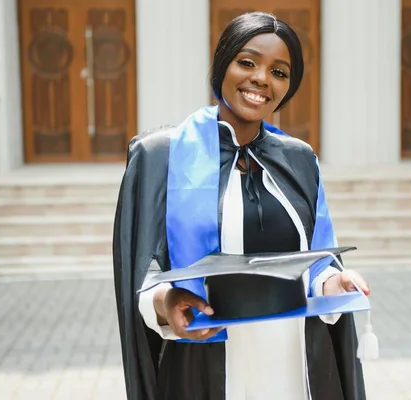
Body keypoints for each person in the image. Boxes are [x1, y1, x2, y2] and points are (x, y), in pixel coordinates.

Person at [113, 11, 371, 400]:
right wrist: (168, 302)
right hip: (207, 365)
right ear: (222, 65)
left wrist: (336, 283)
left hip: (294, 362)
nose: (262, 79)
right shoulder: (163, 155)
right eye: (247, 62)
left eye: (279, 72)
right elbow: (141, 271)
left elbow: (315, 262)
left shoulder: (298, 159)